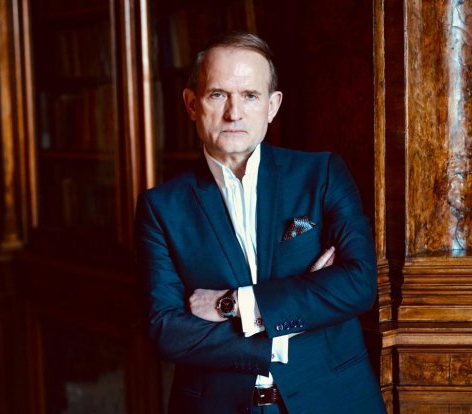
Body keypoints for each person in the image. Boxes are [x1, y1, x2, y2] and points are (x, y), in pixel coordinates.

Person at [135, 31, 386, 414]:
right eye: (218, 95)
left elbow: (358, 285)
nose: (234, 113)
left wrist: (234, 303)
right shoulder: (161, 207)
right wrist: (288, 324)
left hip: (332, 400)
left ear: (272, 105)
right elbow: (166, 331)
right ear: (191, 104)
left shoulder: (322, 174)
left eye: (250, 96)